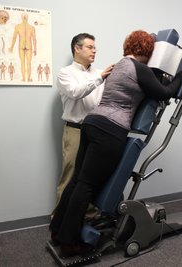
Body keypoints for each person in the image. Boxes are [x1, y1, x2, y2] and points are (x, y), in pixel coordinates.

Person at [50, 29, 182, 257]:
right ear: (147, 52)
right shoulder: (140, 69)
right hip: (109, 130)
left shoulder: (119, 65)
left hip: (91, 123)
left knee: (77, 181)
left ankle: (57, 231)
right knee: (86, 186)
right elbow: (165, 93)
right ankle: (69, 242)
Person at [55, 33, 114, 209]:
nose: (94, 51)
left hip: (96, 131)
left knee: (91, 176)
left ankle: (85, 216)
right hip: (75, 131)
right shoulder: (65, 73)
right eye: (90, 47)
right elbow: (75, 92)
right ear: (77, 48)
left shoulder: (100, 73)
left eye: (95, 48)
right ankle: (58, 218)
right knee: (70, 174)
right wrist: (100, 78)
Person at [9, 12, 37, 82]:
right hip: (27, 46)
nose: (24, 18)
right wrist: (11, 47)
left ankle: (26, 78)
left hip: (25, 46)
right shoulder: (30, 27)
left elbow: (34, 39)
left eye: (25, 17)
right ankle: (25, 78)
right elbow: (14, 37)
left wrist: (35, 49)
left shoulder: (20, 27)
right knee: (26, 63)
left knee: (25, 63)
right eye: (24, 17)